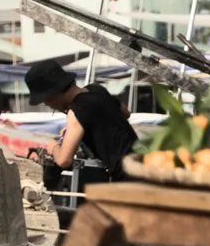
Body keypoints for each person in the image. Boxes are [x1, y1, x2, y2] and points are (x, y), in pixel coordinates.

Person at [26, 60, 138, 190]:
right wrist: (82, 125)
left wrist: (54, 147)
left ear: (53, 95)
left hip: (128, 178)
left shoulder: (76, 110)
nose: (48, 105)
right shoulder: (97, 90)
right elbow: (126, 113)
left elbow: (63, 160)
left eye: (45, 101)